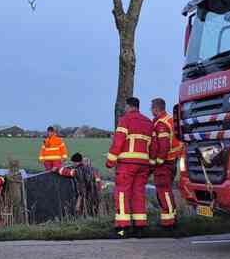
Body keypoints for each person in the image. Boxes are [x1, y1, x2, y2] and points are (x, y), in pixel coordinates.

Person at [106, 96, 153, 237]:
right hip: (143, 164)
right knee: (139, 194)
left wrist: (110, 161)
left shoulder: (125, 120)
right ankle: (140, 228)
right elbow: (153, 146)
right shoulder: (148, 122)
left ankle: (122, 229)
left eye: (125, 107)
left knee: (122, 194)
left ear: (128, 106)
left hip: (127, 164)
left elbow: (118, 142)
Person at [149, 97, 184, 232]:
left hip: (164, 163)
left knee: (163, 191)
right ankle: (171, 218)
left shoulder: (161, 124)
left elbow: (163, 146)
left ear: (156, 109)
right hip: (172, 161)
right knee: (166, 191)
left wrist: (157, 161)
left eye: (151, 108)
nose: (151, 111)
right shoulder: (170, 120)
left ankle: (169, 223)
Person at [59, 151, 103, 218]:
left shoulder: (78, 170)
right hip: (97, 193)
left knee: (83, 209)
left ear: (75, 162)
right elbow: (99, 182)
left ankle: (85, 220)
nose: (73, 164)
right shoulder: (94, 169)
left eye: (73, 162)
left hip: (86, 194)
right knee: (95, 210)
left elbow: (67, 172)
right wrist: (99, 189)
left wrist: (57, 169)